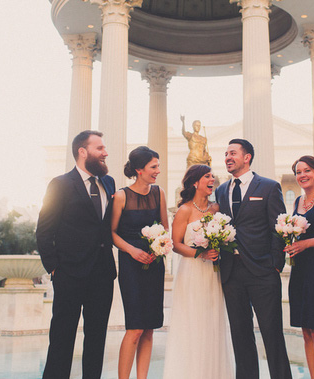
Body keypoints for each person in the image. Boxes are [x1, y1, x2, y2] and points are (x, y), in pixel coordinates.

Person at [36, 130, 117, 379]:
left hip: (102, 274)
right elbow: (44, 230)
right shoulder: (59, 184)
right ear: (83, 152)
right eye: (99, 148)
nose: (105, 153)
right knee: (62, 337)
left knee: (96, 338)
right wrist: (54, 268)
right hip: (69, 274)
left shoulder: (109, 183)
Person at [215, 139, 292, 379]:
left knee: (272, 334)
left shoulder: (269, 187)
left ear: (247, 157)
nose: (228, 157)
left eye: (233, 153)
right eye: (226, 153)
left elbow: (278, 228)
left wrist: (275, 265)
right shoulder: (220, 190)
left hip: (262, 271)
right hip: (231, 273)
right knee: (240, 335)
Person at [162, 164, 233, 379]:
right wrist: (199, 254)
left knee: (212, 322)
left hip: (213, 274)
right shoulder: (184, 210)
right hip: (192, 273)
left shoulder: (216, 209)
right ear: (195, 182)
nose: (212, 180)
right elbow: (175, 244)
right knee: (192, 323)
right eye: (207, 177)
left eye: (213, 176)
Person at [110, 146, 169, 379]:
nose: (158, 171)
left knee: (149, 329)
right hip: (131, 266)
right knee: (134, 328)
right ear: (139, 170)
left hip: (155, 265)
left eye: (158, 166)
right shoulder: (122, 195)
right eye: (153, 167)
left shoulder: (159, 193)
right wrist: (133, 250)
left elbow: (165, 227)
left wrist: (160, 246)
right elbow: (112, 233)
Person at [283, 156, 314, 379]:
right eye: (298, 172)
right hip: (301, 270)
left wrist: (306, 243)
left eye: (306, 170)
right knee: (305, 332)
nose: (301, 175)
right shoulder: (297, 202)